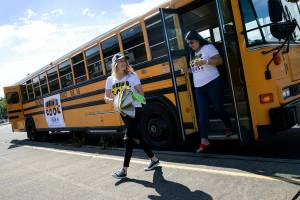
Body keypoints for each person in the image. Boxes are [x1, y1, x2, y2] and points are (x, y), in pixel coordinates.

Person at [105, 53, 159, 179]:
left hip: (135, 109)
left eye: (125, 60)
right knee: (136, 137)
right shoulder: (110, 80)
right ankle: (154, 159)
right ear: (115, 64)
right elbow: (106, 96)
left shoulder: (132, 76)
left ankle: (124, 170)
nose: (123, 62)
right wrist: (110, 100)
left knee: (128, 137)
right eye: (120, 61)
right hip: (123, 111)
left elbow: (142, 98)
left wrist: (130, 96)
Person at [183, 30, 233, 153]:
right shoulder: (192, 53)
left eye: (192, 42)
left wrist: (205, 61)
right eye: (188, 43)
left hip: (213, 83)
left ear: (197, 39)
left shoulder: (208, 48)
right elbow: (197, 69)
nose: (190, 45)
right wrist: (187, 70)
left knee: (217, 108)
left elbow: (219, 61)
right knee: (202, 114)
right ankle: (204, 140)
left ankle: (228, 126)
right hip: (199, 87)